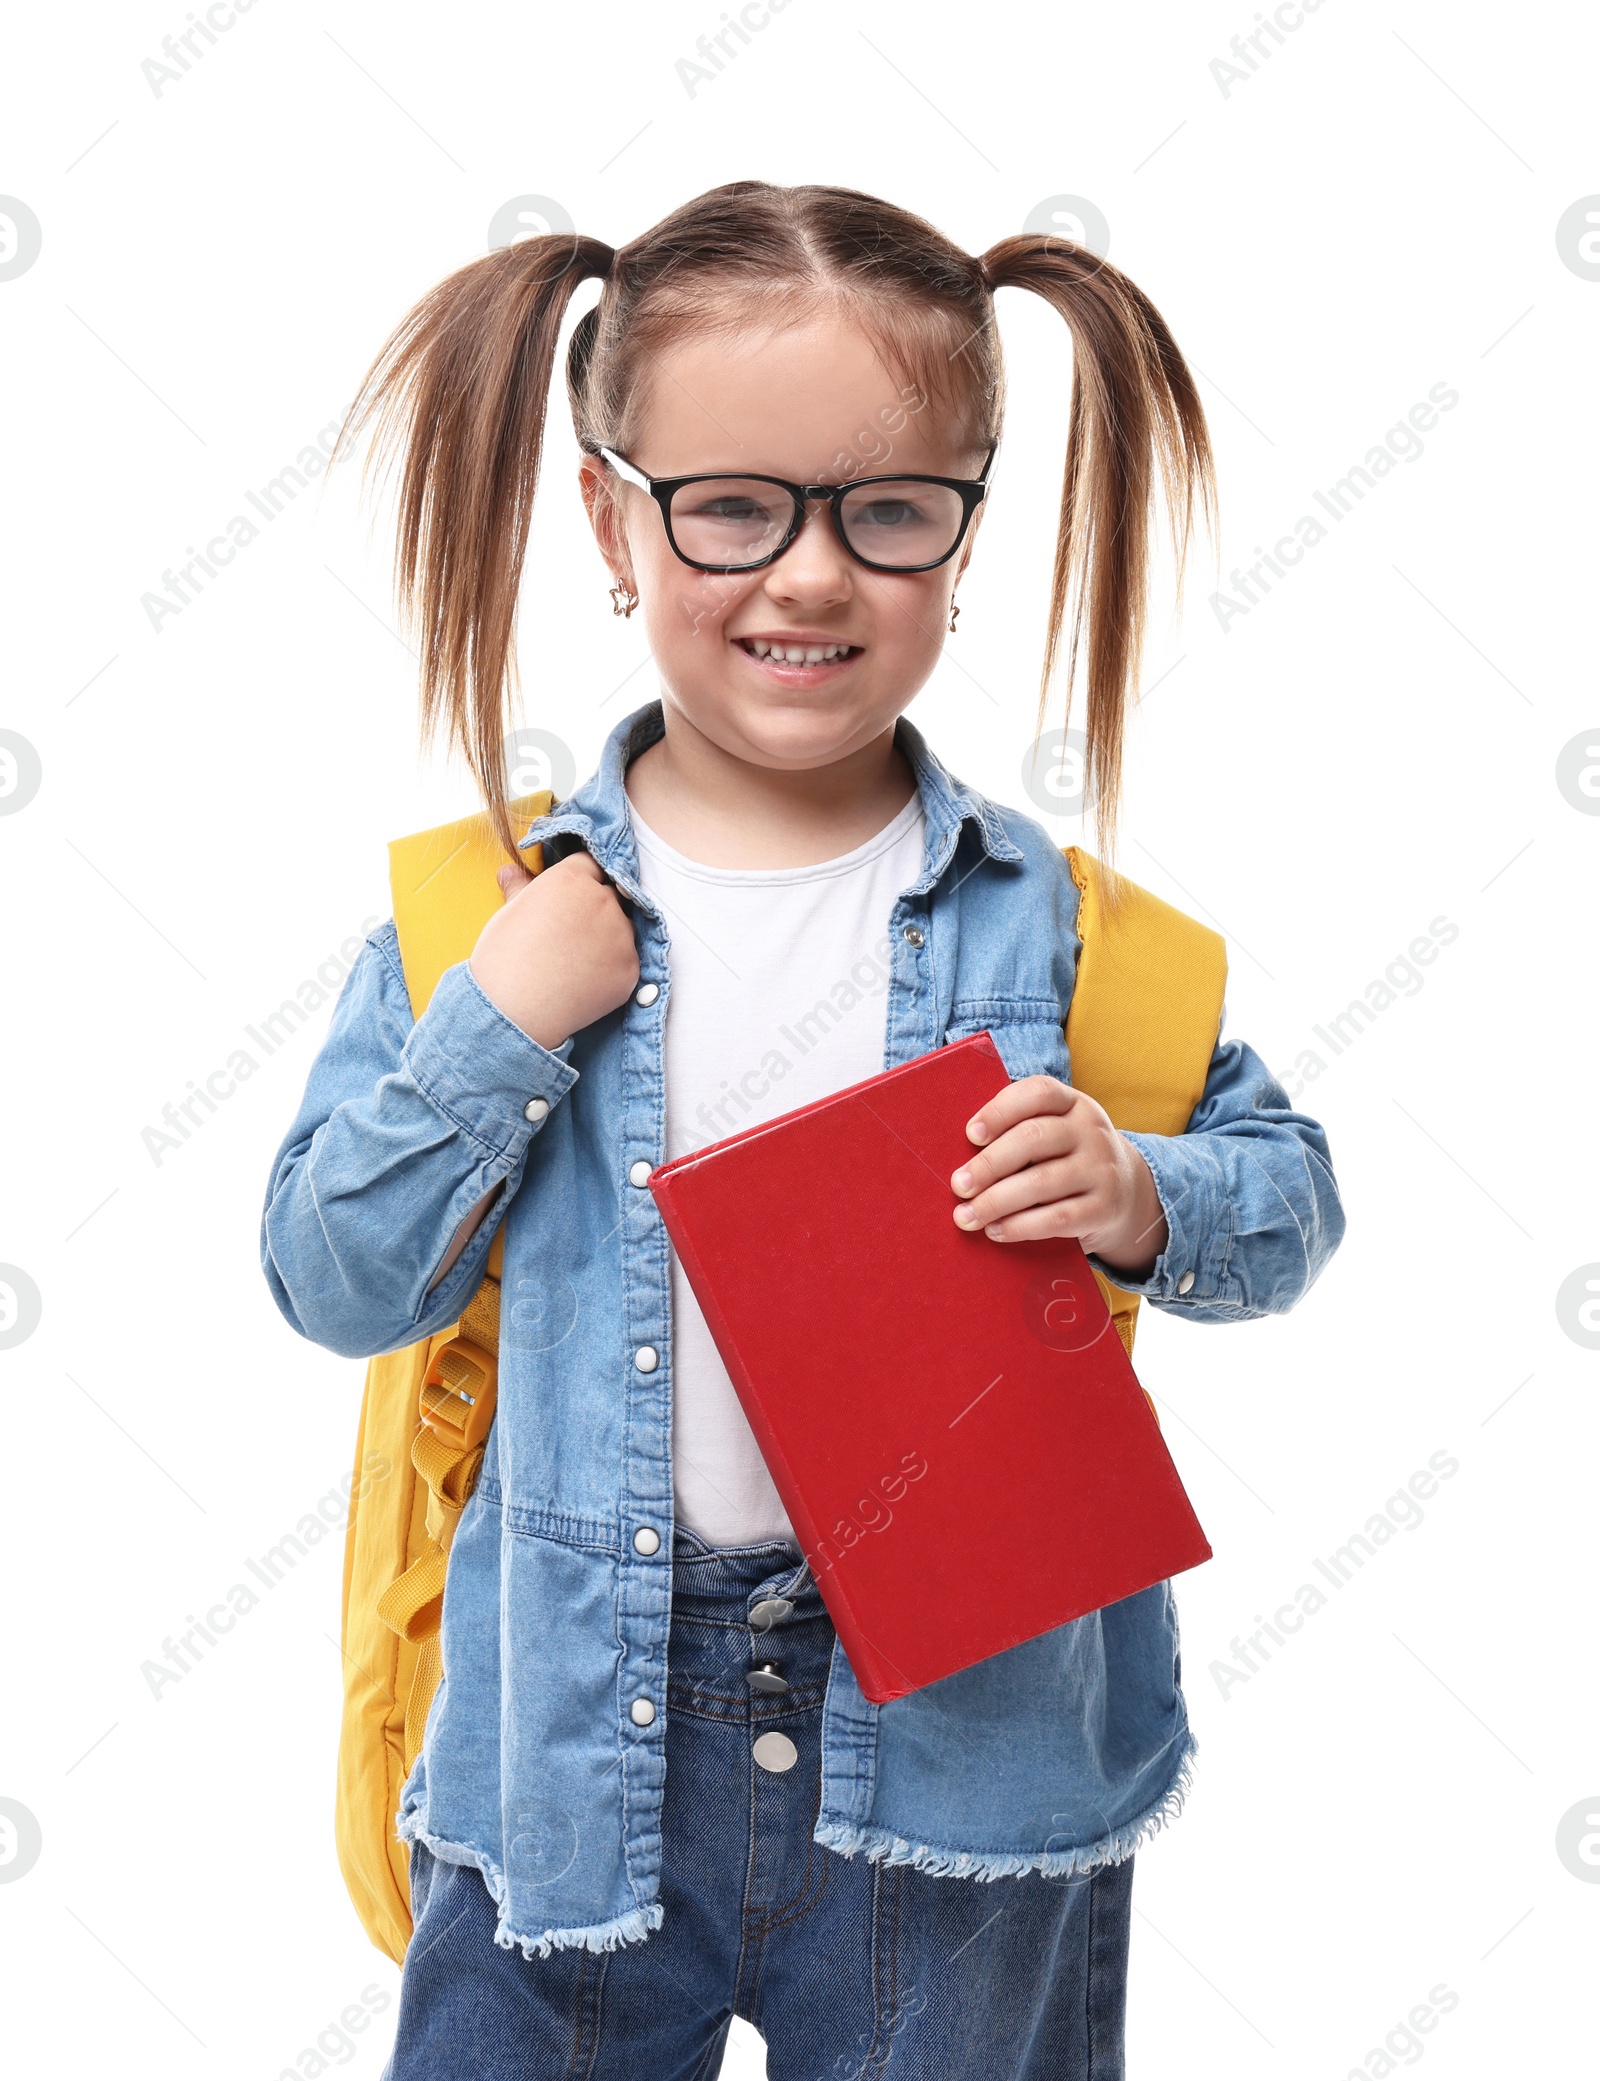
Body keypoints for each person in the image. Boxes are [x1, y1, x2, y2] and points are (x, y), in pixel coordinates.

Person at [261, 180, 1344, 2079]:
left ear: (966, 526)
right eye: (733, 506)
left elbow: (1289, 1197)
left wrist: (1139, 1193)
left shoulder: (1067, 930)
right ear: (612, 514)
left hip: (975, 1745)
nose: (812, 574)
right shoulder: (484, 922)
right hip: (576, 1753)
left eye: (890, 511)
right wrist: (501, 1029)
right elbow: (333, 1274)